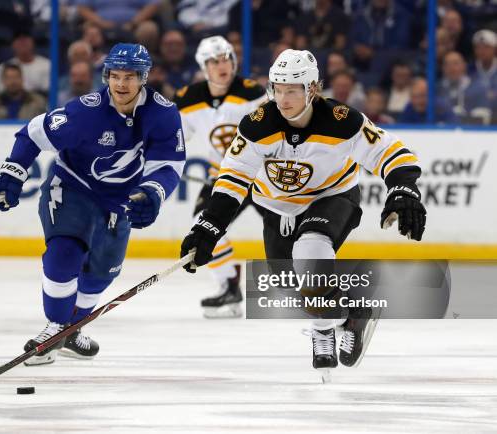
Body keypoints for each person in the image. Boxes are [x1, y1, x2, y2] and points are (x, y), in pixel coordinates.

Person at [180, 49, 426, 373]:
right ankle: (352, 312)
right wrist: (208, 226)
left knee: (310, 252)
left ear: (312, 89)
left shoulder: (342, 120)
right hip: (277, 208)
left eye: (292, 89)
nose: (283, 99)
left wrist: (403, 188)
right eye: (278, 89)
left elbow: (390, 151)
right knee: (288, 283)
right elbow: (233, 178)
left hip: (332, 198)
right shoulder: (257, 125)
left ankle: (322, 331)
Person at [0, 43, 185, 365]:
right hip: (72, 187)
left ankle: (71, 329)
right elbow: (33, 134)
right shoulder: (85, 111)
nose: (121, 84)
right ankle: (55, 327)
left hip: (120, 201)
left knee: (101, 274)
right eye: (115, 76)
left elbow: (168, 165)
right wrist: (13, 171)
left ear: (144, 78)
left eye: (130, 77)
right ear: (106, 75)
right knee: (64, 253)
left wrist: (153, 193)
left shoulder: (163, 114)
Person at [173, 35, 267, 318]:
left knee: (290, 231)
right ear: (204, 66)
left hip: (263, 177)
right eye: (214, 61)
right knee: (200, 226)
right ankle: (229, 286)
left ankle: (320, 288)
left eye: (226, 57)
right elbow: (174, 138)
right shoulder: (187, 98)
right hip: (224, 179)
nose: (222, 64)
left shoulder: (253, 93)